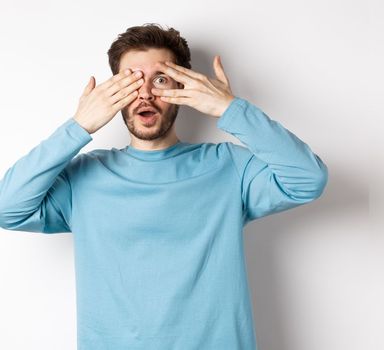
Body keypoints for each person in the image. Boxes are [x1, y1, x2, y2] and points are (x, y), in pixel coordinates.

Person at [0, 23, 328, 349]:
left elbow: (308, 179)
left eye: (160, 80)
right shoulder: (85, 177)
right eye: (131, 80)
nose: (145, 93)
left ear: (184, 88)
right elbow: (7, 208)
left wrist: (230, 109)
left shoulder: (228, 167)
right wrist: (79, 126)